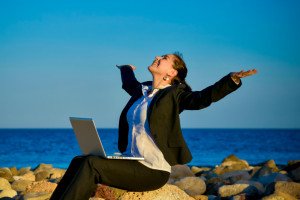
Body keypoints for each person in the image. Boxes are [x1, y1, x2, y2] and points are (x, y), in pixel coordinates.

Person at [50, 53, 258, 200]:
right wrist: (125, 68)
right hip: (133, 162)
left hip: (152, 171)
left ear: (173, 72)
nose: (157, 57)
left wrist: (232, 80)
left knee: (92, 165)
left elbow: (202, 98)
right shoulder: (142, 91)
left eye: (164, 58)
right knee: (80, 160)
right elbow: (128, 83)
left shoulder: (175, 95)